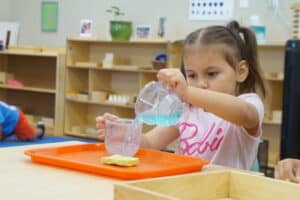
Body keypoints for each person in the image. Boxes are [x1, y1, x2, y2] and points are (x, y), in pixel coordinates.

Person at [96, 20, 266, 170]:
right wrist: (124, 132)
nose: (201, 84)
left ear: (240, 71)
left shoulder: (250, 103)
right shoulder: (186, 110)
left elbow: (244, 114)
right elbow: (150, 143)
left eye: (212, 74)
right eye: (192, 75)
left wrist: (188, 92)